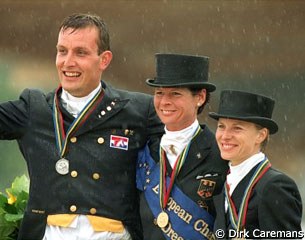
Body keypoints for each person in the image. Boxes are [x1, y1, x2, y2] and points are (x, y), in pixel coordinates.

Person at [0, 13, 163, 240]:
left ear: (104, 60)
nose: (68, 62)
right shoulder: (33, 108)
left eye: (81, 52)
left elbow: (183, 149)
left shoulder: (139, 110)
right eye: (62, 51)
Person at [136, 53, 229, 239]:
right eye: (159, 93)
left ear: (200, 97)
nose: (164, 102)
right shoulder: (144, 149)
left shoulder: (221, 153)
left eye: (175, 94)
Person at [209, 90, 303, 239]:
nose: (225, 136)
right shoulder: (223, 183)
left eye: (237, 128)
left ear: (261, 135)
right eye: (221, 126)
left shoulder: (275, 186)